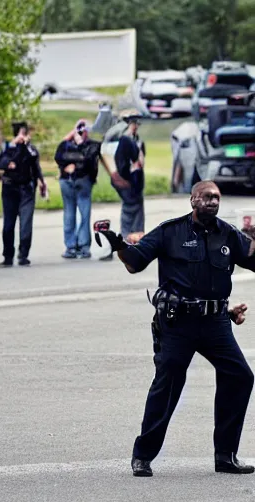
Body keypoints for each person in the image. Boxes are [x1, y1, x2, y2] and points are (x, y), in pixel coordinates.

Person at [95, 180, 255, 477]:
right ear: (193, 200)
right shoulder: (170, 231)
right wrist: (116, 242)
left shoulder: (228, 234)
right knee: (168, 384)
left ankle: (225, 456)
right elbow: (135, 262)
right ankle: (142, 455)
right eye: (206, 197)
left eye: (216, 198)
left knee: (240, 376)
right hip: (177, 322)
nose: (212, 202)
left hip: (215, 322)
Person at [55, 118, 129, 259]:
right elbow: (58, 157)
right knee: (70, 214)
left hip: (82, 182)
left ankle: (81, 246)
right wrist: (71, 138)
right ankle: (72, 247)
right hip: (69, 182)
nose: (82, 132)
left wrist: (78, 143)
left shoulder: (90, 145)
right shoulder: (67, 144)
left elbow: (90, 158)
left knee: (83, 214)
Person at [0, 121, 47, 267]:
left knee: (26, 223)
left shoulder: (31, 149)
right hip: (10, 189)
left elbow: (35, 166)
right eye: (22, 133)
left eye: (26, 133)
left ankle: (23, 254)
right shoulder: (8, 147)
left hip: (26, 189)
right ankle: (8, 255)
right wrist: (14, 145)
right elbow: (2, 162)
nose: (25, 136)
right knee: (8, 225)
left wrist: (42, 182)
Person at [111, 110, 146, 239]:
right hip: (127, 181)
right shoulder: (124, 140)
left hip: (135, 181)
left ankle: (135, 237)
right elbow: (123, 163)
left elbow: (140, 161)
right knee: (130, 209)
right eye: (133, 123)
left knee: (137, 210)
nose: (136, 126)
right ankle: (127, 237)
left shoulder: (136, 140)